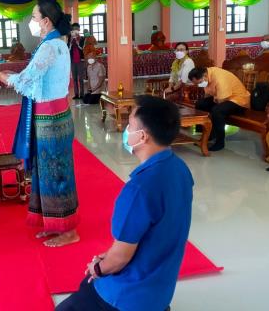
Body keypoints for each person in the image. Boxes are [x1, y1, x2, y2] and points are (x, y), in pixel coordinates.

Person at [56, 96, 192, 311]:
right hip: (161, 289)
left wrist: (98, 268)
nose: (126, 130)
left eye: (130, 125)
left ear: (143, 136)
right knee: (86, 287)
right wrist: (108, 257)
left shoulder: (139, 189)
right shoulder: (180, 169)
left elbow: (120, 258)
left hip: (128, 295)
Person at [0, 0, 79, 247]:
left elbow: (25, 82)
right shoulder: (55, 43)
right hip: (50, 117)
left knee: (56, 174)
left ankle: (68, 231)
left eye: (34, 18)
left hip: (52, 121)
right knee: (45, 172)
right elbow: (33, 80)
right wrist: (5, 75)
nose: (32, 22)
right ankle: (53, 223)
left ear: (46, 21)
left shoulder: (50, 48)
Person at [189, 66, 250, 151]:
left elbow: (222, 100)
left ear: (205, 75)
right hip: (223, 98)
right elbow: (209, 96)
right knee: (200, 104)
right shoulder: (206, 77)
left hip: (239, 101)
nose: (198, 85)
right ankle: (206, 136)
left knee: (217, 111)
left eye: (199, 83)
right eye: (196, 84)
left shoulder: (219, 78)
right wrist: (207, 103)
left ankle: (219, 142)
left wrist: (212, 109)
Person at [68, 23, 85, 99]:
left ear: (79, 30)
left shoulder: (82, 39)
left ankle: (82, 94)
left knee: (80, 78)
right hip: (72, 61)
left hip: (80, 61)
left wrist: (78, 44)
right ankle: (76, 94)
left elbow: (83, 49)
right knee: (74, 79)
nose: (75, 30)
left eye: (76, 29)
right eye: (73, 29)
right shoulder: (69, 38)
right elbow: (68, 50)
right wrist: (71, 44)